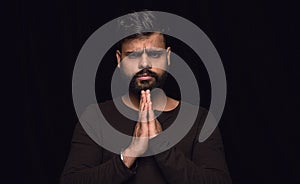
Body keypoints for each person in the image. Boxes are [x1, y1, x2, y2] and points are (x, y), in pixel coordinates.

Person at [60, 11, 232, 184]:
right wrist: (130, 154)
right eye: (133, 55)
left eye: (154, 54)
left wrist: (162, 148)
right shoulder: (96, 117)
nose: (144, 64)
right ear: (119, 59)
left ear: (168, 56)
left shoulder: (199, 120)